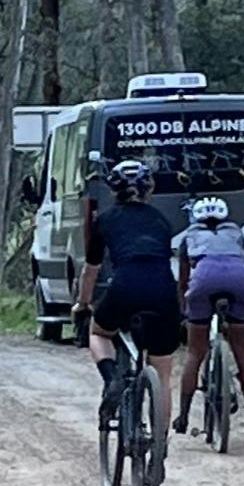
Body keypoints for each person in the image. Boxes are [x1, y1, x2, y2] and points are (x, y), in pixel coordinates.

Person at [76, 159, 182, 440]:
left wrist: (83, 304)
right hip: (163, 291)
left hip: (125, 287)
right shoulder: (161, 220)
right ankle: (159, 445)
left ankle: (112, 379)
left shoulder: (105, 220)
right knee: (162, 373)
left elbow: (91, 270)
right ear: (149, 189)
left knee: (98, 332)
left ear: (113, 190)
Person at [173, 196, 244, 440]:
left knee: (194, 353)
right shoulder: (235, 231)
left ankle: (182, 416)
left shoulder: (189, 236)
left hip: (203, 281)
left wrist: (184, 308)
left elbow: (183, 280)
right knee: (243, 352)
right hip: (239, 281)